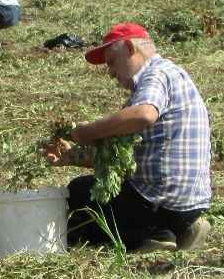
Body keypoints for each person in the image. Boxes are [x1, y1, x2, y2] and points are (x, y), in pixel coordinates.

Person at [45, 23, 212, 254]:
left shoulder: (156, 75)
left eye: (112, 62)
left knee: (80, 192)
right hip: (190, 203)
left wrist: (87, 132)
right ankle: (183, 227)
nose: (111, 72)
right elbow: (122, 157)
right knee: (99, 189)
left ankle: (149, 235)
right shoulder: (172, 76)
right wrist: (70, 156)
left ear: (131, 48)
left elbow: (144, 115)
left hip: (156, 200)